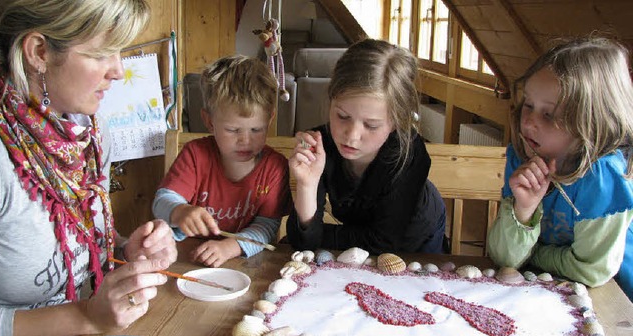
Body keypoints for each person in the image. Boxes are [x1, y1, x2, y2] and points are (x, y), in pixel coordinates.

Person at [0, 1, 178, 336]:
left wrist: (126, 249)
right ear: (39, 52)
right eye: (100, 54)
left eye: (120, 51)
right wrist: (87, 317)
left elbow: (80, 244)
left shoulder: (88, 133)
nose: (118, 71)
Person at [487, 37, 633, 301]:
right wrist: (523, 210)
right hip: (542, 291)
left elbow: (590, 270)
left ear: (592, 123)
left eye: (549, 114)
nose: (529, 121)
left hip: (611, 298)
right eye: (528, 105)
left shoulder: (602, 177)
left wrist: (534, 253)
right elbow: (503, 258)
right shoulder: (522, 157)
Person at [286, 39, 447, 254]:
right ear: (331, 102)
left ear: (396, 122)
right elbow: (303, 242)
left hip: (418, 237)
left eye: (371, 125)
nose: (351, 137)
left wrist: (320, 236)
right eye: (342, 116)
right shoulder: (321, 145)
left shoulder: (410, 154)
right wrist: (307, 184)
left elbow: (385, 243)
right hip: (363, 238)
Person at [152, 55, 292, 268]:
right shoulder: (196, 155)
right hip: (188, 259)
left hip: (247, 262)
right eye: (233, 130)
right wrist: (179, 211)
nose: (245, 140)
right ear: (209, 122)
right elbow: (162, 201)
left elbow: (267, 227)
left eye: (256, 129)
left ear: (269, 119)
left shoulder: (274, 167)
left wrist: (229, 247)